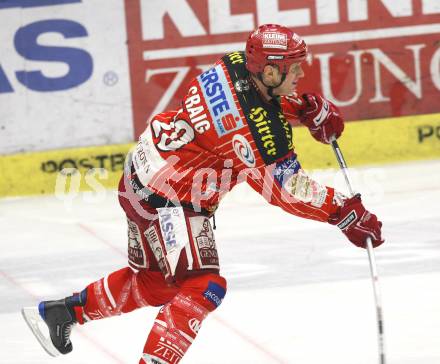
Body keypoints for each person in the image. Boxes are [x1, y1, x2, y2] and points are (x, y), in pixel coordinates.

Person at [22, 24, 384, 364]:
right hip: (169, 199)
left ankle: (64, 312)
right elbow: (285, 189)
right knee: (204, 285)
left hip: (143, 178)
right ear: (270, 71)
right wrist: (344, 213)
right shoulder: (260, 136)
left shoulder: (234, 64)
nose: (300, 75)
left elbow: (248, 109)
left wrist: (302, 110)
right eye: (294, 69)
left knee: (157, 284)